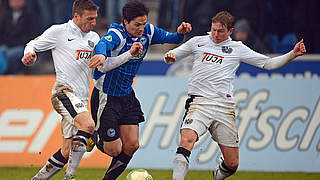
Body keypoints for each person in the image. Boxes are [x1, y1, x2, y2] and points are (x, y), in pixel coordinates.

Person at [164, 11, 306, 180]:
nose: (215, 34)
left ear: (230, 31)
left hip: (224, 107)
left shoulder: (237, 49)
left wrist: (292, 54)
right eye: (214, 30)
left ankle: (219, 174)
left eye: (220, 31)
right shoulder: (198, 42)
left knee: (232, 164)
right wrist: (169, 56)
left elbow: (267, 63)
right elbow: (171, 55)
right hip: (199, 103)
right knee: (186, 139)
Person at [86, 1, 192, 179]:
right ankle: (93, 135)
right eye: (137, 24)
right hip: (106, 96)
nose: (141, 28)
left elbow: (171, 38)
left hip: (127, 95)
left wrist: (180, 33)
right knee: (114, 149)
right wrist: (102, 54)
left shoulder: (148, 31)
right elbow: (103, 44)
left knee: (132, 145)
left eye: (143, 23)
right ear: (125, 22)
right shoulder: (117, 34)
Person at [22, 0, 99, 179]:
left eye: (95, 18)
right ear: (76, 16)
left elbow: (104, 63)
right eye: (89, 19)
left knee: (66, 151)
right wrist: (30, 56)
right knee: (88, 125)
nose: (94, 23)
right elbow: (33, 44)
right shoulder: (59, 31)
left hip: (80, 98)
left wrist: (128, 56)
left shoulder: (94, 38)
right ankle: (70, 176)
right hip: (63, 92)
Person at [0, 0, 40, 74]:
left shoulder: (30, 15)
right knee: (3, 52)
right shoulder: (5, 15)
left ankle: (11, 75)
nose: (16, 2)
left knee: (10, 55)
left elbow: (32, 37)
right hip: (6, 46)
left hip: (22, 47)